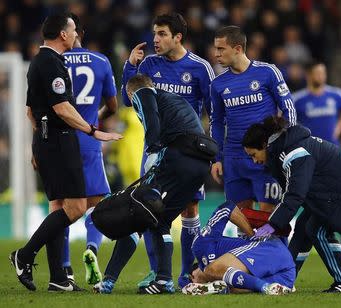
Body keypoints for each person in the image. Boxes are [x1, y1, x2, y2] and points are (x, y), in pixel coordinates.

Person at [9, 12, 121, 292]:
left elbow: (30, 112)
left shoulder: (44, 61)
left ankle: (59, 277)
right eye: (72, 31)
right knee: (79, 207)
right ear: (63, 34)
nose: (74, 35)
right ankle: (24, 255)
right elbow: (61, 108)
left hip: (53, 141)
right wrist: (92, 130)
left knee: (60, 206)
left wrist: (39, 142)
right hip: (61, 141)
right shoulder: (50, 62)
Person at [94, 74, 214, 295]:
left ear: (131, 94)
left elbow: (150, 116)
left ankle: (109, 280)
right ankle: (164, 280)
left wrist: (153, 150)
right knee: (160, 220)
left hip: (178, 157)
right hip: (200, 165)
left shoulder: (142, 92)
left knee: (136, 213)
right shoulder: (173, 99)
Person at [242, 115, 341, 292]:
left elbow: (295, 194)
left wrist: (272, 225)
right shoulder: (289, 147)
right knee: (304, 227)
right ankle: (285, 279)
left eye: (253, 155)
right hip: (340, 191)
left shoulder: (293, 153)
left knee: (316, 229)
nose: (255, 161)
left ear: (265, 145)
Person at [121, 12, 215, 288]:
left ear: (178, 37)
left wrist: (215, 153)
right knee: (146, 207)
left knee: (190, 209)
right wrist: (130, 66)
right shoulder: (148, 64)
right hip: (155, 149)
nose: (155, 40)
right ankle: (156, 273)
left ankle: (187, 273)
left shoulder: (200, 68)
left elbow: (215, 112)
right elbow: (129, 101)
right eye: (154, 34)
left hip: (187, 152)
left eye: (162, 34)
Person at [210, 25, 297, 216]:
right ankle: (247, 247)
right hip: (234, 160)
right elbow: (216, 123)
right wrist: (216, 158)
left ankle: (275, 247)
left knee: (270, 217)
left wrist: (285, 144)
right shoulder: (217, 84)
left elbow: (288, 108)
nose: (216, 54)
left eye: (221, 48)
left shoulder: (268, 73)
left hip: (266, 158)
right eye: (216, 48)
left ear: (238, 48)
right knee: (243, 220)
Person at [61, 13, 118, 285]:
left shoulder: (53, 62)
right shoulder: (101, 61)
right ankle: (92, 248)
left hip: (60, 141)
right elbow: (114, 107)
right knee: (98, 205)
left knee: (61, 207)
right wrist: (93, 120)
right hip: (88, 141)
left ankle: (64, 270)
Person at [183, 200, 295, 296]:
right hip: (286, 274)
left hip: (268, 247)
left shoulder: (199, 246)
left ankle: (265, 287)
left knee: (211, 270)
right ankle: (271, 287)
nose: (196, 283)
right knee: (235, 286)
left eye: (192, 281)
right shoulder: (228, 271)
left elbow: (226, 207)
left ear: (192, 275)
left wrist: (252, 236)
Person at [292, 60, 341, 145]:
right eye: (317, 73)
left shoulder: (336, 94)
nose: (321, 76)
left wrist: (339, 126)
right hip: (309, 147)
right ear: (308, 75)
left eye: (323, 73)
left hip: (332, 147)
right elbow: (284, 118)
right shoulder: (297, 98)